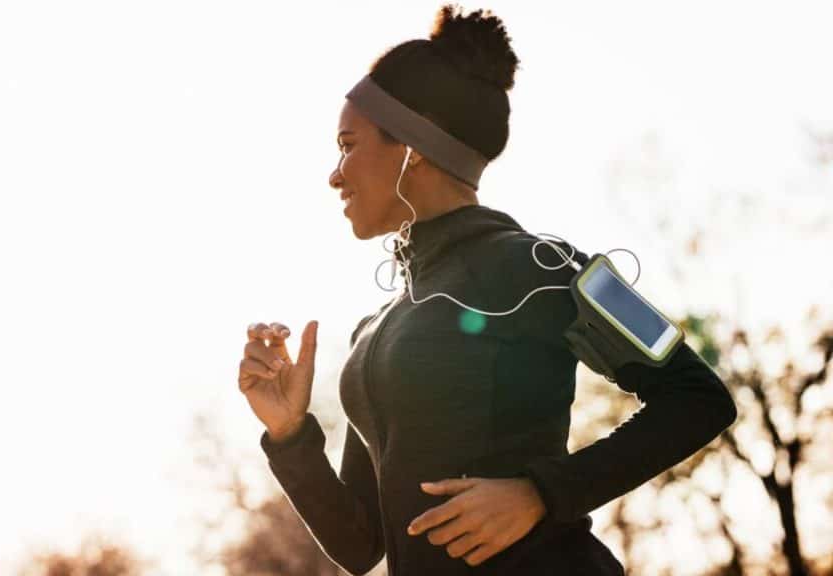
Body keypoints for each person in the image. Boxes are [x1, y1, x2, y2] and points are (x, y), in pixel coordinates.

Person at [237, 5, 737, 575]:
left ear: (412, 147)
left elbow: (698, 397)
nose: (335, 173)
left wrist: (541, 493)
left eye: (348, 145)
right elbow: (360, 545)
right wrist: (290, 434)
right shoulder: (371, 332)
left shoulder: (543, 268)